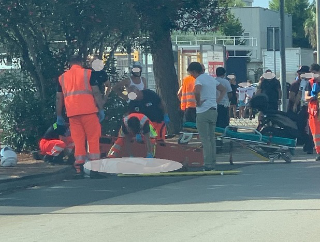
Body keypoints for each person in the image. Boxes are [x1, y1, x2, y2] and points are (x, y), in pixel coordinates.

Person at [56, 55, 105, 174]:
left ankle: (79, 168)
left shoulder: (62, 78)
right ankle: (94, 169)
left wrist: (59, 115)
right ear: (81, 63)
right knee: (93, 139)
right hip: (89, 112)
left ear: (69, 64)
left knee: (78, 141)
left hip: (72, 114)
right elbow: (96, 93)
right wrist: (101, 108)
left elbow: (58, 98)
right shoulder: (88, 74)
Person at [187, 62, 226, 171]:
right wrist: (217, 100)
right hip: (213, 110)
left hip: (203, 111)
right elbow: (223, 89)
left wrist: (198, 102)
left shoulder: (199, 79)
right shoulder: (211, 79)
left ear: (194, 71)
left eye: (191, 74)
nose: (192, 76)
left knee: (205, 139)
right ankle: (213, 162)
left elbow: (196, 91)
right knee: (212, 138)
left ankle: (208, 164)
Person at [305, 63, 320, 160]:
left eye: (314, 73)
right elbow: (306, 97)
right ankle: (319, 152)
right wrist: (312, 97)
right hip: (314, 113)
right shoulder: (309, 83)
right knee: (316, 133)